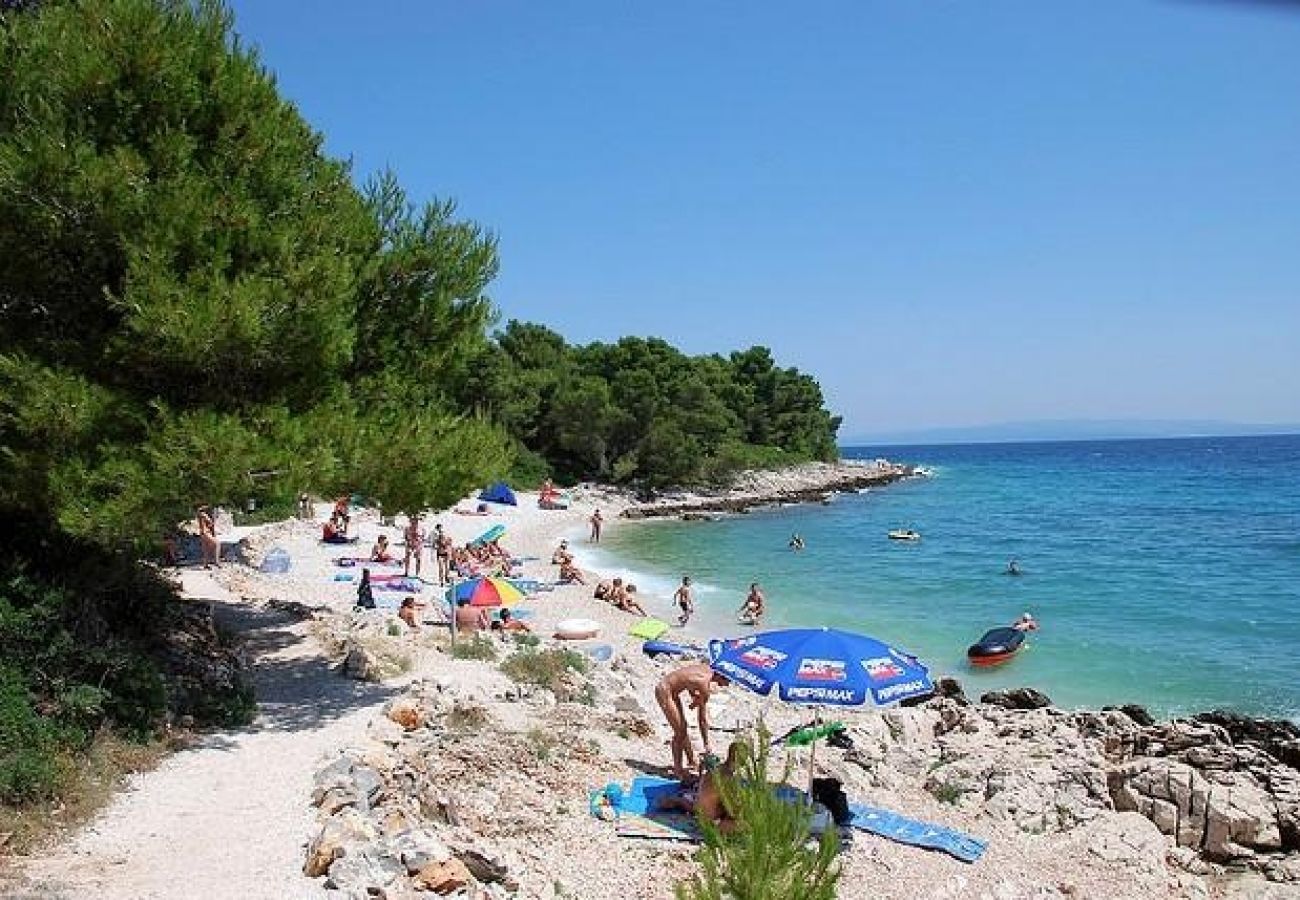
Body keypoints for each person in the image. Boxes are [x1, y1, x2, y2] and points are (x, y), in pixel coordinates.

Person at [654, 662, 729, 780]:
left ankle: (691, 761)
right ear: (720, 676)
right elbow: (702, 720)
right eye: (726, 682)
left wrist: (694, 695)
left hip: (672, 690)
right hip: (664, 690)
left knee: (683, 726)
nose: (727, 685)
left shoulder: (707, 670)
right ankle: (678, 770)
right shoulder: (704, 684)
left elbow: (687, 678)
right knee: (680, 732)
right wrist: (706, 743)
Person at [657, 742, 746, 833]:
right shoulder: (727, 778)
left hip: (698, 807)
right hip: (709, 819)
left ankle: (679, 801)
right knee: (744, 823)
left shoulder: (717, 768)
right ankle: (717, 830)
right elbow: (731, 810)